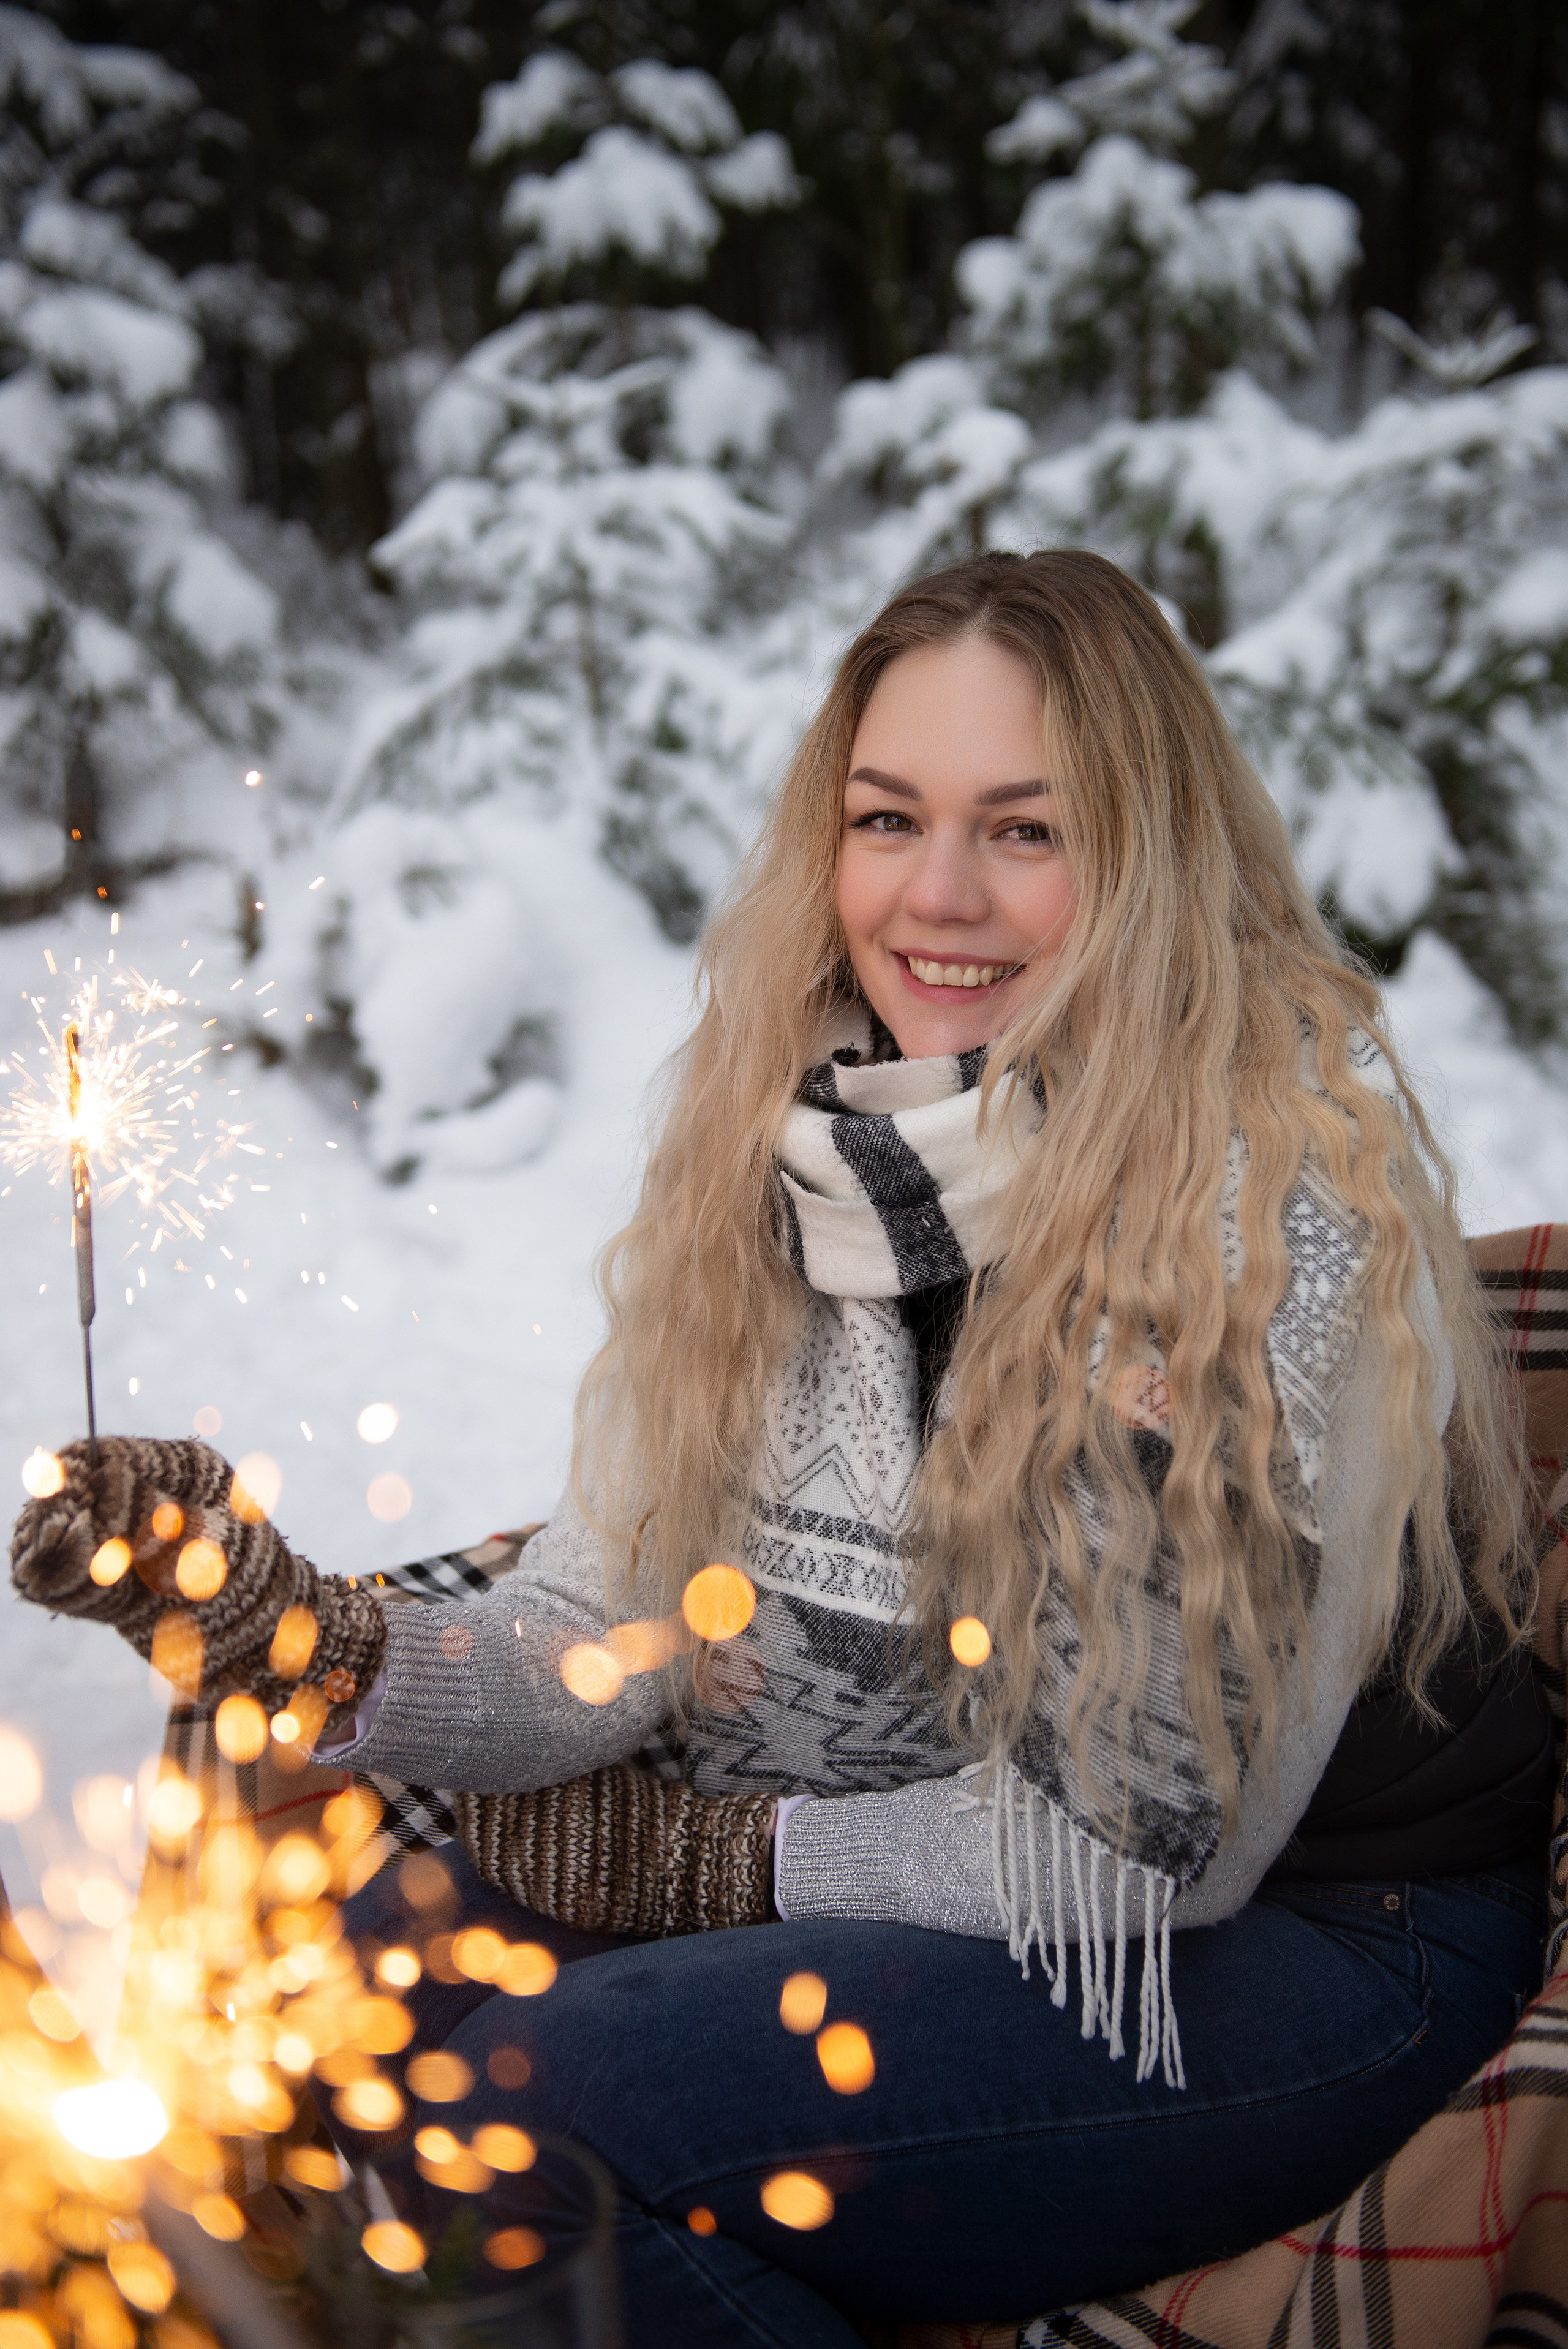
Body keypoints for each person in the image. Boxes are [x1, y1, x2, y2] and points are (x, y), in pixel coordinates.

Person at [13, 551, 1555, 2344]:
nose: (940, 894)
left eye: (1027, 831)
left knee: (513, 2106)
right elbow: (593, 1636)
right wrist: (294, 1627)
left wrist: (701, 1870)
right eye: (889, 818)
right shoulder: (805, 1165)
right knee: (366, 1973)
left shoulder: (1258, 1219)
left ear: (1151, 858)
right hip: (942, 1824)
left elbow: (1141, 1851)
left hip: (1304, 1940)